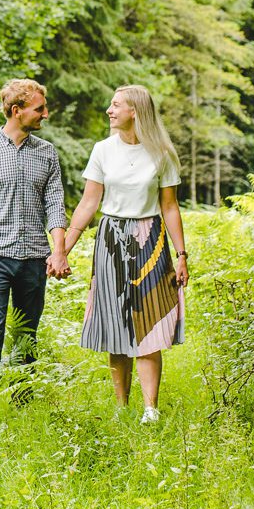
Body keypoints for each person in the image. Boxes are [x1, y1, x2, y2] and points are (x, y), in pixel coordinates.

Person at [59, 85, 188, 423]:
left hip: (151, 241)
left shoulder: (162, 153)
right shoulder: (103, 150)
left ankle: (150, 409)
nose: (109, 110)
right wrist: (63, 249)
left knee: (149, 322)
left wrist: (182, 254)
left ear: (135, 111)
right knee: (116, 324)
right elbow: (89, 202)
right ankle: (122, 407)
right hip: (111, 240)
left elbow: (170, 207)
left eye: (116, 105)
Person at [0, 78, 69, 424]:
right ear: (16, 111)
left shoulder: (47, 153)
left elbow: (55, 205)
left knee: (26, 339)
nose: (45, 114)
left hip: (34, 258)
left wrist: (59, 250)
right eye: (39, 109)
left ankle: (22, 409)